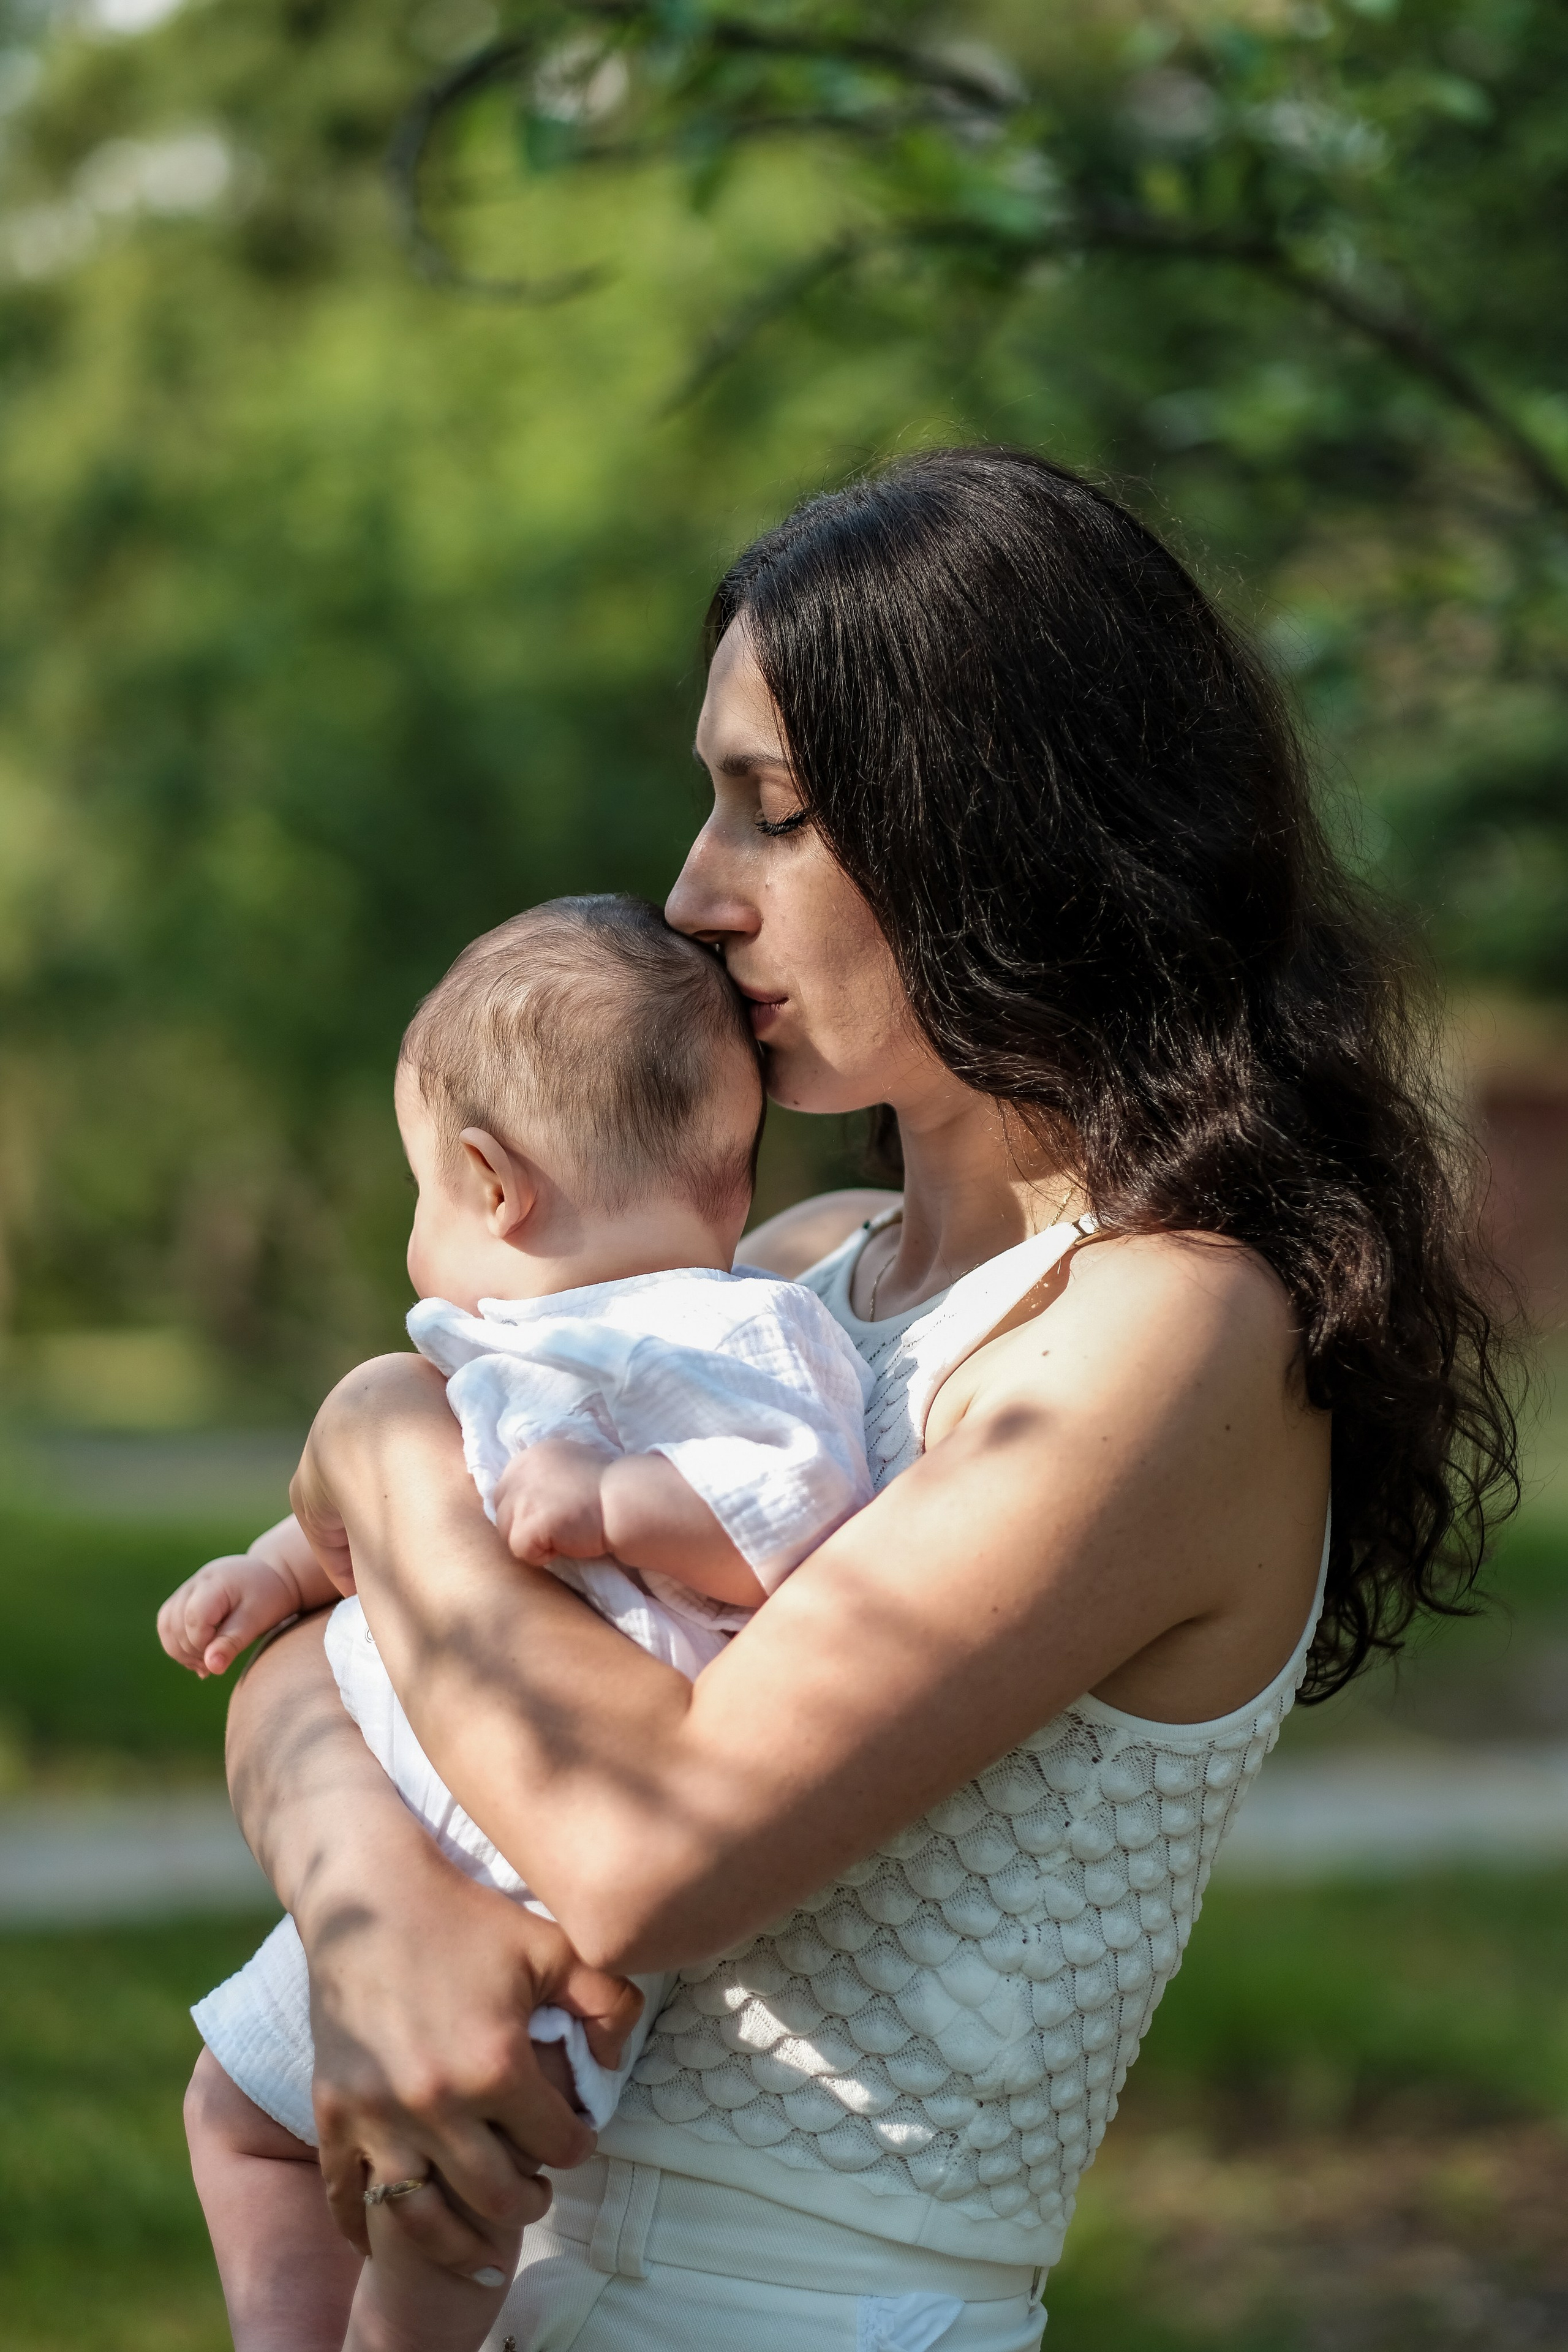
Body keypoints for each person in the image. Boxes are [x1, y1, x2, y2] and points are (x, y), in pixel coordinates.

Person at [211, 447, 1518, 2352]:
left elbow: (650, 1854)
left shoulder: (1164, 1333)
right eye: (708, 805)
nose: (694, 892)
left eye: (772, 813)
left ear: (1001, 828)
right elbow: (304, 1670)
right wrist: (367, 1912)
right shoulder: (778, 1285)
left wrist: (385, 1445)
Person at [159, 896, 875, 2351]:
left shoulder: (731, 1333)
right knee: (236, 2115)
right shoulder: (492, 1345)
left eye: (420, 1190)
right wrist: (276, 1569)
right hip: (407, 1845)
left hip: (544, 1892)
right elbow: (377, 1531)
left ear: (491, 1184)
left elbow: (794, 1505)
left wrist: (617, 1505)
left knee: (443, 2215)